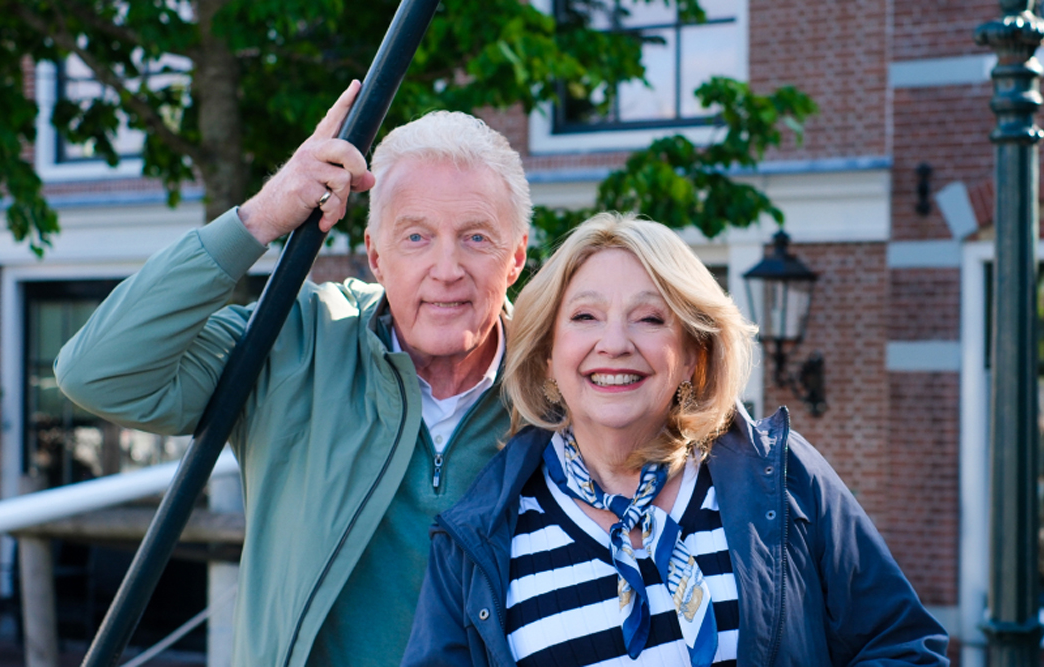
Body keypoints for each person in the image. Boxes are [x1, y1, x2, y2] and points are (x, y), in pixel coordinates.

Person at [55, 81, 531, 666]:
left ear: (515, 258)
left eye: (476, 238)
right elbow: (97, 372)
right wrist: (263, 215)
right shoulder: (294, 339)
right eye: (416, 237)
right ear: (376, 256)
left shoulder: (558, 385)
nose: (447, 268)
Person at [402, 212, 949, 667]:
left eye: (649, 318)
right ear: (548, 354)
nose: (614, 343)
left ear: (693, 355)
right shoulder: (476, 540)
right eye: (586, 316)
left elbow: (903, 647)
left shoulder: (783, 481)